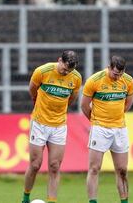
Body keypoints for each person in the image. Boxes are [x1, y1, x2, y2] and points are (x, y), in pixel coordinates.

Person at [22, 50, 82, 203]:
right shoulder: (42, 71)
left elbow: (72, 98)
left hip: (59, 125)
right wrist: (38, 103)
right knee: (35, 164)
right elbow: (32, 90)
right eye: (64, 69)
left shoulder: (76, 78)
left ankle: (52, 201)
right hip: (39, 123)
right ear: (59, 60)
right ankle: (25, 197)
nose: (65, 72)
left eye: (69, 70)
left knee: (55, 166)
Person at [81, 55, 133, 203]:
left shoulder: (128, 81)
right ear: (109, 68)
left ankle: (124, 201)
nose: (118, 77)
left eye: (121, 74)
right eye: (115, 73)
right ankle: (93, 201)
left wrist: (116, 117)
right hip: (100, 129)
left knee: (122, 170)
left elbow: (128, 103)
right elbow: (85, 106)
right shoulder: (94, 80)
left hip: (120, 129)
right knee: (94, 168)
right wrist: (96, 121)